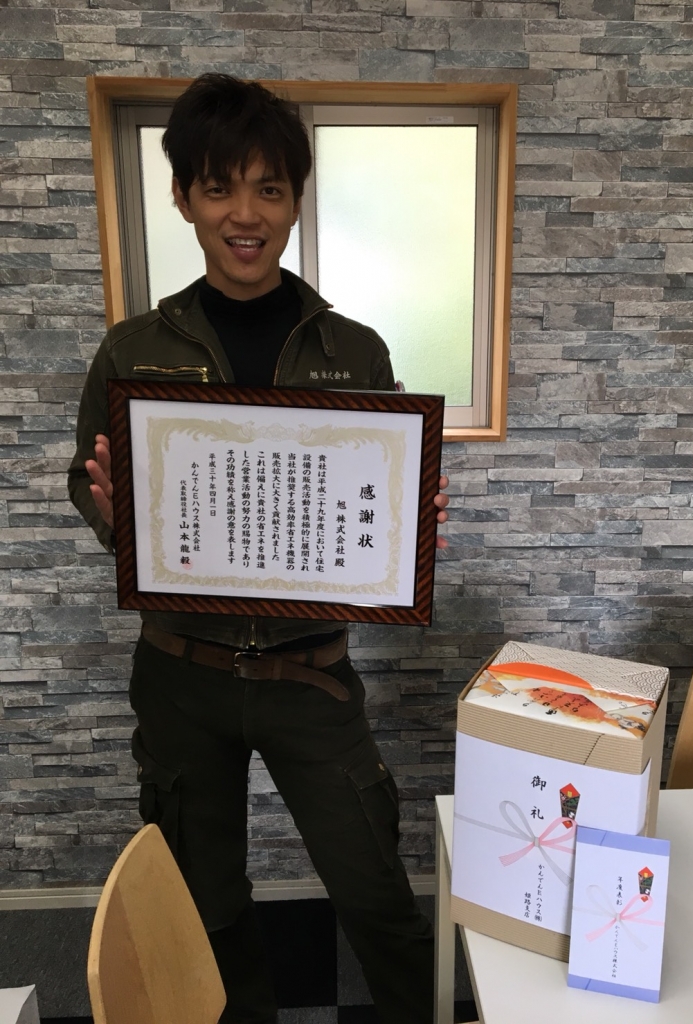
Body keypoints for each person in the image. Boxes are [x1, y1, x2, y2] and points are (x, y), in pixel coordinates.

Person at [68, 74, 449, 1024]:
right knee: (208, 908)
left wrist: (404, 528)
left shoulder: (352, 351)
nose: (246, 215)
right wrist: (114, 517)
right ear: (183, 198)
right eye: (219, 188)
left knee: (376, 894)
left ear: (295, 201)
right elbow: (89, 477)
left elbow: (372, 495)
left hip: (310, 676)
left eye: (269, 189)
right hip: (180, 675)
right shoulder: (131, 350)